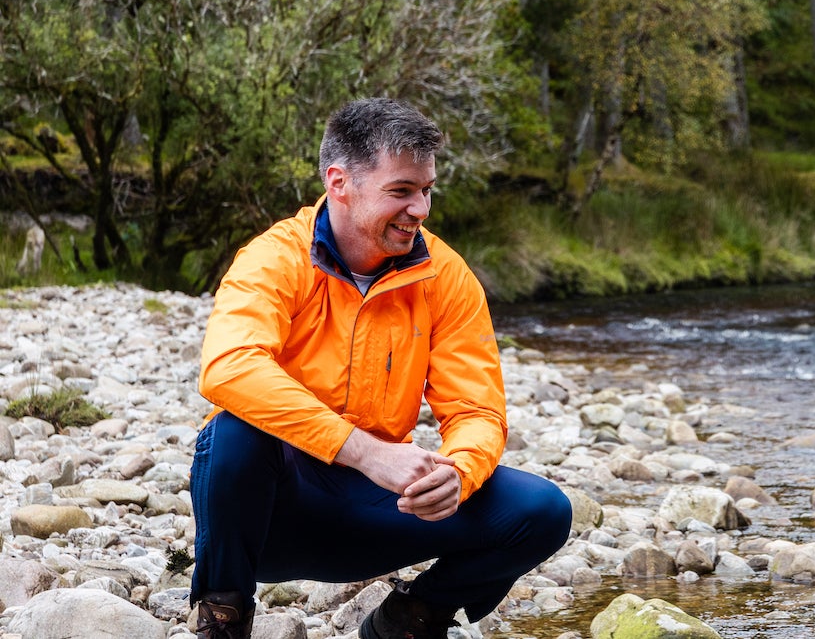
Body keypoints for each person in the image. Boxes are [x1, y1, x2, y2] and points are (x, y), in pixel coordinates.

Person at [189, 98, 572, 639]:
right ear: (339, 182)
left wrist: (458, 474)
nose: (421, 208)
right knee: (233, 430)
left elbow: (477, 408)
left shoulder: (446, 275)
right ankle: (223, 617)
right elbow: (229, 368)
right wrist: (365, 452)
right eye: (402, 191)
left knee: (544, 509)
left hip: (380, 512)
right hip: (268, 519)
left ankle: (412, 620)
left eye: (426, 190)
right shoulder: (275, 257)